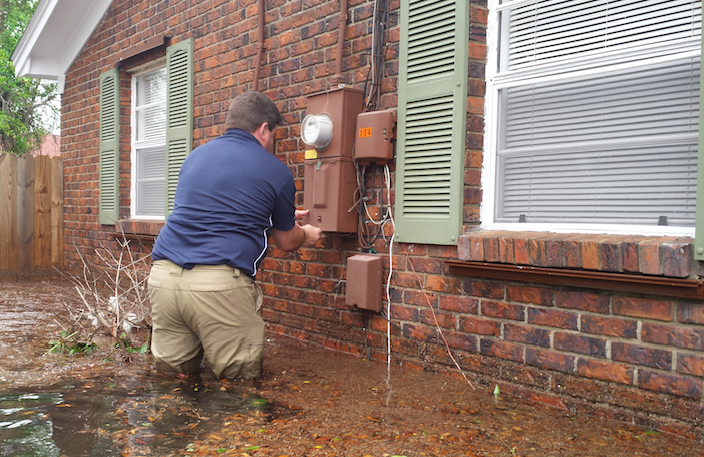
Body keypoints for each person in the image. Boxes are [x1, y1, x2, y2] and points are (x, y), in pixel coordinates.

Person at [147, 91, 322, 380]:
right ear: (264, 129)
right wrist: (307, 234)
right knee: (237, 387)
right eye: (273, 134)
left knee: (172, 382)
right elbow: (286, 240)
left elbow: (215, 208)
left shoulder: (195, 157)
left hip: (164, 278)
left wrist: (274, 217)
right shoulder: (276, 171)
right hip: (217, 286)